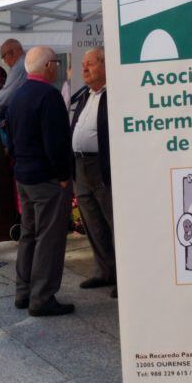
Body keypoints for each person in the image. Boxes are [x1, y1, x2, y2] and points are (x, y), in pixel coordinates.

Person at [6, 46, 74, 317]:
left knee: (29, 234)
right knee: (50, 238)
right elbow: (56, 142)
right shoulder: (49, 96)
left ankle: (23, 291)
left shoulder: (17, 95)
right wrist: (63, 176)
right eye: (56, 63)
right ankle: (42, 297)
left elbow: (10, 138)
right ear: (48, 67)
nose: (57, 67)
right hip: (46, 178)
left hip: (23, 175)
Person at [71, 48, 118, 297]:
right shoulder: (84, 96)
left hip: (102, 165)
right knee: (91, 222)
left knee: (113, 220)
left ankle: (124, 277)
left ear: (104, 64)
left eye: (89, 64)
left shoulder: (114, 95)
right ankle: (104, 271)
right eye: (82, 65)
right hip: (80, 166)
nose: (84, 69)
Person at [0, 39, 27, 146]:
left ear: (10, 53)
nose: (4, 61)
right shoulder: (25, 62)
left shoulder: (19, 66)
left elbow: (4, 99)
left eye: (3, 57)